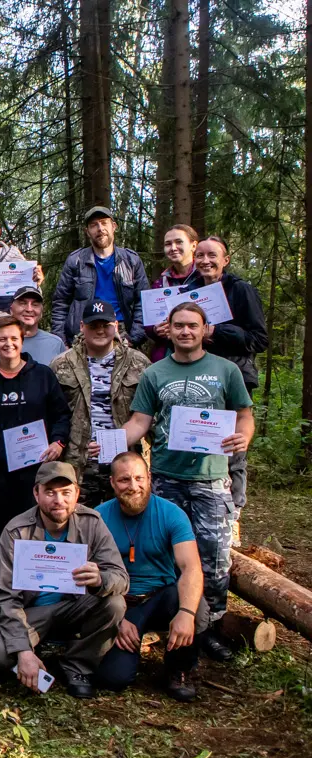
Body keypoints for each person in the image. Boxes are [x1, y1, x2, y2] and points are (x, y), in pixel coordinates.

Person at [118, 302, 254, 662]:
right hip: (166, 478)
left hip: (211, 478)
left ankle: (209, 629)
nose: (185, 332)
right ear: (169, 328)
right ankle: (168, 623)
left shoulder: (226, 370)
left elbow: (245, 416)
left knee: (213, 559)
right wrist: (110, 442)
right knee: (167, 554)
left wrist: (244, 437)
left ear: (205, 328)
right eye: (178, 326)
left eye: (192, 325)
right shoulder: (155, 373)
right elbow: (139, 422)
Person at [0, 462, 128, 699]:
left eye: (65, 492)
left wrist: (99, 579)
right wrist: (22, 651)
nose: (58, 500)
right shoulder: (17, 531)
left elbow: (121, 577)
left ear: (77, 494)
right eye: (50, 492)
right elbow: (5, 597)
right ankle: (31, 652)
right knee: (1, 655)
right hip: (30, 612)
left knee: (115, 604)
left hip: (74, 606)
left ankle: (77, 665)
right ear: (36, 493)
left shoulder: (92, 523)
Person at [95, 453, 208, 701]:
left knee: (196, 606)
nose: (133, 486)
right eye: (124, 480)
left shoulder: (172, 514)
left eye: (138, 478)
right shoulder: (98, 518)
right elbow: (88, 577)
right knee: (113, 679)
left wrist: (186, 614)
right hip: (119, 602)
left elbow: (191, 567)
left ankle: (179, 669)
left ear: (149, 478)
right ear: (113, 483)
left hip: (161, 597)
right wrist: (116, 619)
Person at [0, 315, 72, 585]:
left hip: (35, 469)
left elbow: (61, 414)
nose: (8, 344)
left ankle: (33, 583)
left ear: (22, 340)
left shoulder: (42, 375)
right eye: (2, 339)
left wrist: (58, 442)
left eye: (14, 338)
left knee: (35, 526)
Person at [191, 236, 267, 526]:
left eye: (212, 255)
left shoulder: (241, 290)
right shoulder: (190, 292)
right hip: (199, 377)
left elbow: (259, 339)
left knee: (232, 447)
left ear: (226, 260)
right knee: (200, 442)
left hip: (234, 377)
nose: (205, 261)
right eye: (200, 256)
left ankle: (233, 514)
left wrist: (217, 333)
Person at [50, 301, 151, 506]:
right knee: (80, 528)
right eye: (93, 325)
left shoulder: (138, 363)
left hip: (124, 463)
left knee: (124, 527)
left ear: (115, 325)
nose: (100, 330)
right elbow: (50, 414)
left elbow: (150, 415)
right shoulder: (61, 365)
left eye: (105, 325)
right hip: (77, 464)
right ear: (81, 327)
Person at [51, 207, 151, 346]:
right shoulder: (76, 261)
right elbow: (61, 304)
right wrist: (61, 342)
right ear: (87, 232)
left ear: (114, 226)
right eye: (93, 225)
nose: (100, 228)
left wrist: (133, 338)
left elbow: (144, 303)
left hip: (121, 331)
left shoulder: (131, 260)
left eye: (104, 223)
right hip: (83, 331)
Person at [0, 285, 66, 372]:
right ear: (11, 309)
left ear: (41, 311)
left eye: (35, 304)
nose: (29, 309)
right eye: (23, 303)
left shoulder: (56, 344)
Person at [148, 225, 202, 362]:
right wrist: (156, 330)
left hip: (204, 356)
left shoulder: (205, 278)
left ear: (193, 245)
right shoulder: (160, 283)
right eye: (168, 244)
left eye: (179, 242)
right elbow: (148, 323)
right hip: (167, 355)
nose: (173, 248)